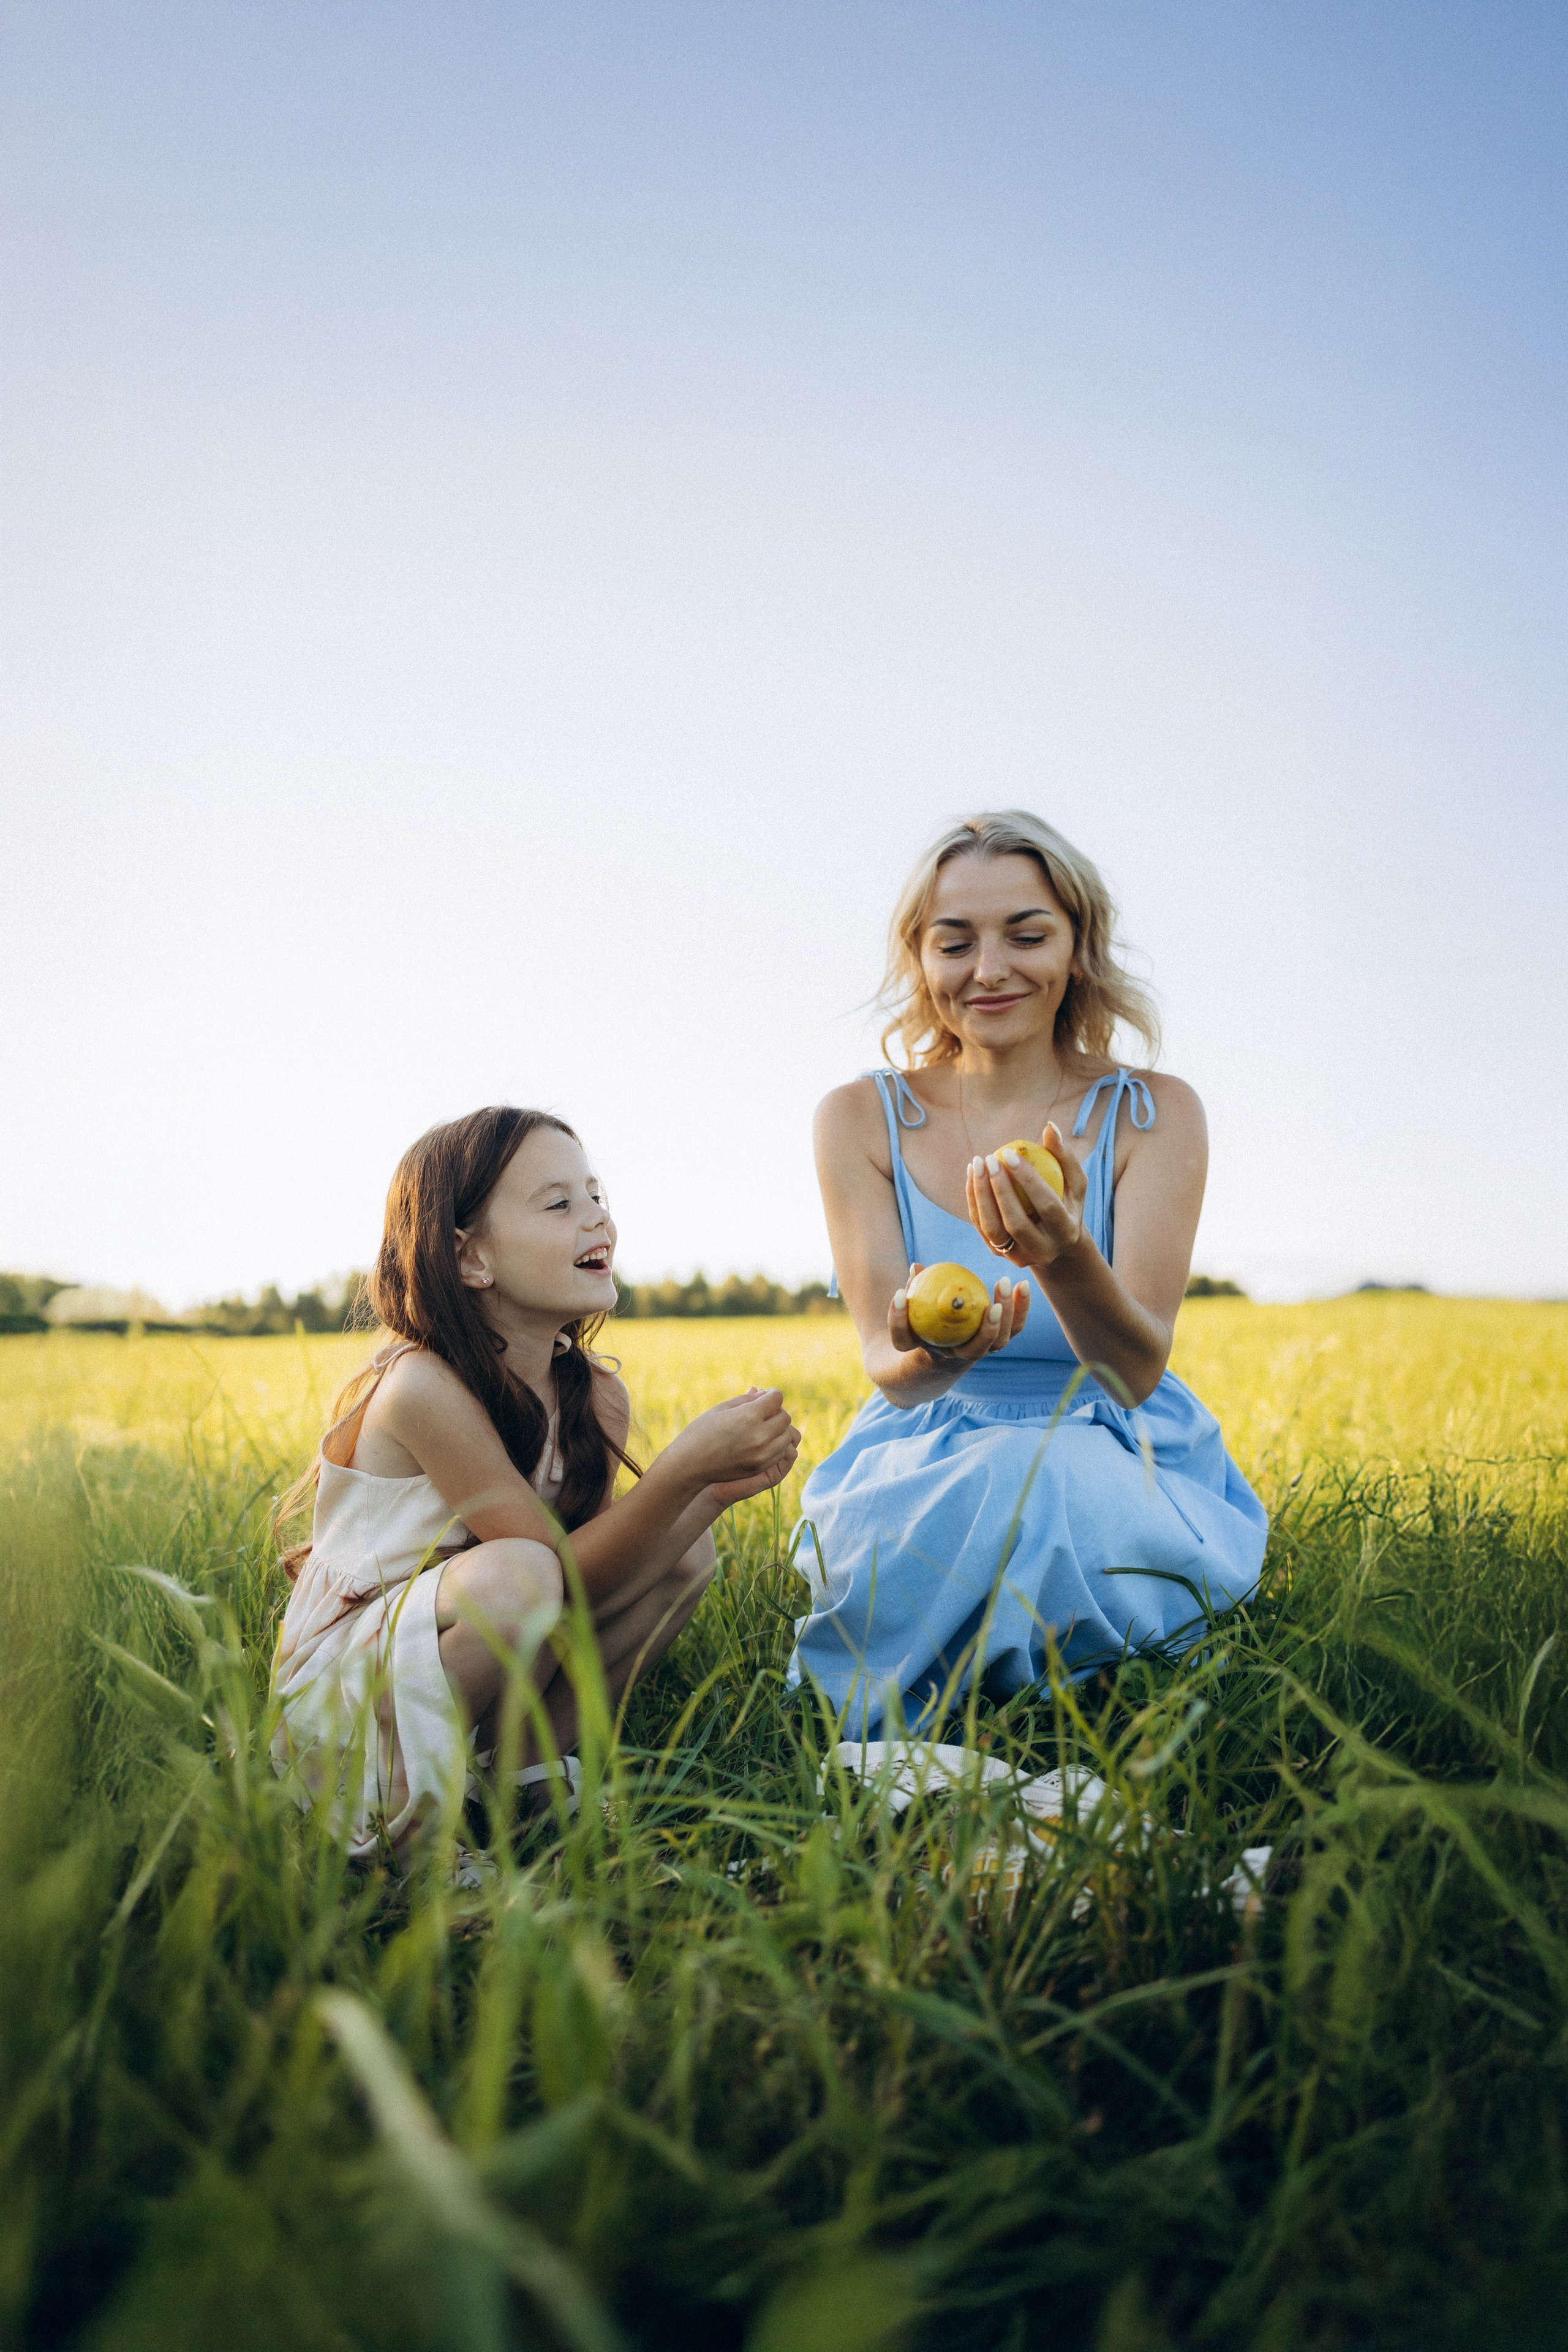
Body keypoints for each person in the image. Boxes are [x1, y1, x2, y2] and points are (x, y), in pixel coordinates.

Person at [791, 810, 1267, 1733]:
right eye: (954, 942)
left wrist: (1062, 1255)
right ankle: (997, 1709)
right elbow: (888, 1371)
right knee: (994, 1477)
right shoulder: (858, 1118)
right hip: (927, 1449)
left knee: (1041, 1478)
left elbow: (1133, 1372)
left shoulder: (1154, 1113)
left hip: (1110, 1439)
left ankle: (1074, 1705)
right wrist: (943, 1354)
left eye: (1027, 933)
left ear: (1078, 949)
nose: (990, 969)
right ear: (920, 961)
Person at [271, 1106, 799, 1856]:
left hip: (473, 1646)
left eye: (597, 1197)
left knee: (685, 1554)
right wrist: (679, 1472)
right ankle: (397, 1833)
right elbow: (546, 1576)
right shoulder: (422, 1389)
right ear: (470, 1260)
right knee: (520, 1575)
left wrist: (704, 1493)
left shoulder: (594, 1396)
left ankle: (524, 1785)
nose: (598, 1221)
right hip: (347, 1705)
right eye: (559, 1205)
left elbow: (587, 1582)